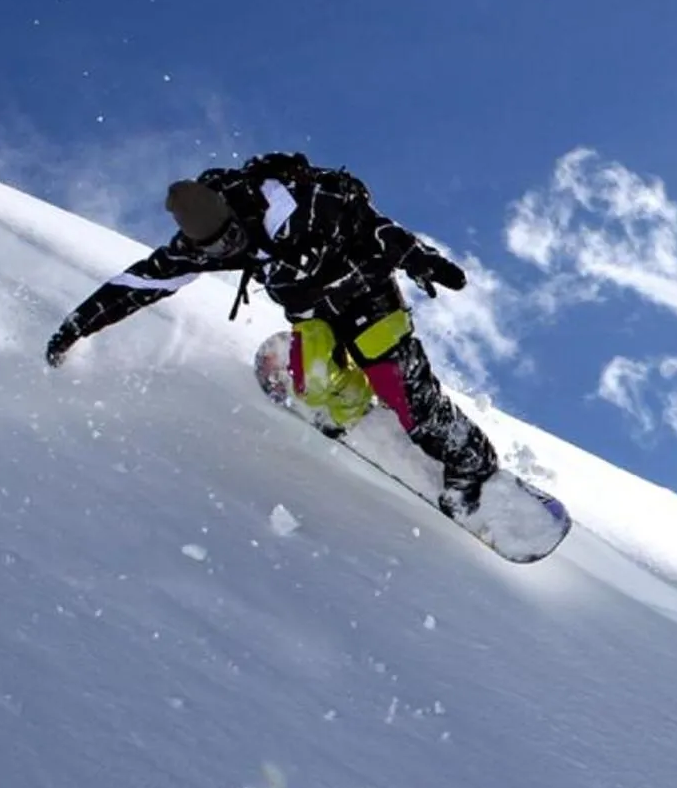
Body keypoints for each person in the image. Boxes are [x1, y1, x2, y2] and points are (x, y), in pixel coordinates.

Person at [45, 151, 500, 515]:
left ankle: (471, 462)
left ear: (231, 214)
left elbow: (371, 226)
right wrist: (75, 328)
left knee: (402, 387)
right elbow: (138, 284)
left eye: (230, 237)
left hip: (365, 293)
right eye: (217, 248)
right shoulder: (201, 248)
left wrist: (421, 259)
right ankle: (360, 405)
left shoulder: (292, 205)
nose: (230, 249)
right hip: (314, 314)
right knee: (314, 384)